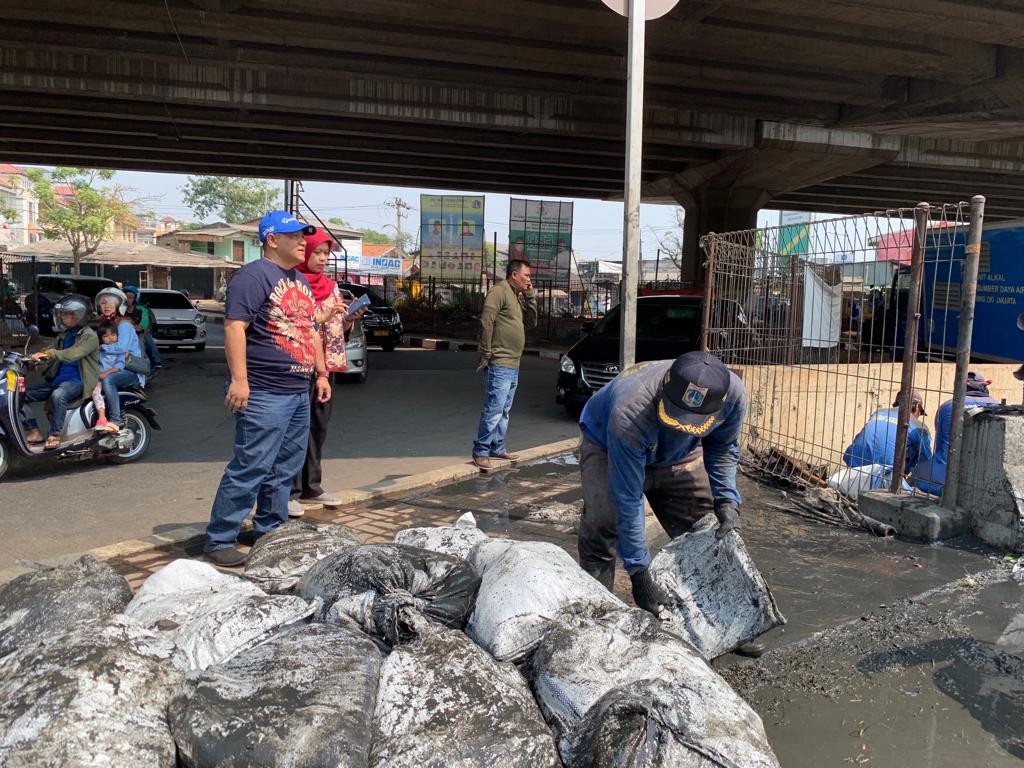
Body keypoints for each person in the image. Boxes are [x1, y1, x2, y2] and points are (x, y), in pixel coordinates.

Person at [577, 352, 760, 653]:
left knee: (707, 530)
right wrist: (640, 574)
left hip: (678, 454)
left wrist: (727, 500)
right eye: (675, 415)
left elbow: (724, 447)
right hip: (608, 445)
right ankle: (598, 622)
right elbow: (628, 496)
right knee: (603, 523)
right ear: (664, 388)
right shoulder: (631, 411)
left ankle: (729, 622)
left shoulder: (733, 396)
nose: (679, 424)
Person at [203, 211, 330, 568]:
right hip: (264, 391)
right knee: (252, 465)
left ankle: (270, 530)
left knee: (284, 467)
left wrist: (320, 374)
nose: (303, 241)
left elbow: (309, 330)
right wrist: (240, 380)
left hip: (296, 390)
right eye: (295, 236)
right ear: (272, 240)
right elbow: (234, 328)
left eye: (304, 236)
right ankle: (220, 538)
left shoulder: (299, 281)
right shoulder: (253, 276)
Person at [290, 228, 364, 514]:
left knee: (318, 427)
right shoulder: (293, 284)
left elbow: (335, 329)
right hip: (299, 364)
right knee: (296, 428)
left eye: (326, 253)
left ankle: (312, 486)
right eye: (317, 252)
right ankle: (291, 490)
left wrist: (349, 320)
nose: (322, 259)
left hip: (326, 366)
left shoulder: (331, 288)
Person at [472, 259, 537, 470]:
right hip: (499, 362)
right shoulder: (498, 291)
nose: (529, 279)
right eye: (526, 275)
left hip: (513, 363)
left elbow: (531, 323)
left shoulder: (516, 296)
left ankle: (497, 447)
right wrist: (485, 355)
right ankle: (481, 451)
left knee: (505, 410)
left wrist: (530, 296)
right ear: (515, 275)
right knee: (494, 409)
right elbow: (486, 322)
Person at [21, 296, 99, 450]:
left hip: (77, 381)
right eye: (61, 314)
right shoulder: (64, 335)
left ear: (78, 315)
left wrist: (50, 354)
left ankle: (55, 434)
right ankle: (34, 431)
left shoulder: (89, 336)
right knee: (19, 394)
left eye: (66, 314)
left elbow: (73, 353)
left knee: (59, 395)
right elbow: (50, 353)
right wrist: (34, 358)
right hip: (57, 381)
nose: (61, 318)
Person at [912, 372, 999, 496]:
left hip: (946, 476)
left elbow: (940, 443)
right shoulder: (999, 407)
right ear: (984, 388)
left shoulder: (948, 407)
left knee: (915, 473)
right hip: (987, 478)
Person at [842, 390, 932, 474]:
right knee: (918, 450)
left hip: (854, 465)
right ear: (917, 406)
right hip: (886, 475)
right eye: (920, 413)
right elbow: (927, 462)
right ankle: (900, 481)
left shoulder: (878, 412)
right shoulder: (919, 426)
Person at [94, 287, 145, 429]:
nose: (106, 306)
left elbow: (122, 347)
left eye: (110, 303)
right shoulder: (105, 325)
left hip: (129, 369)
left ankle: (116, 419)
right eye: (103, 303)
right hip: (111, 366)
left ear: (118, 305)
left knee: (108, 381)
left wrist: (102, 347)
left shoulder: (124, 325)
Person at [91, 321, 125, 433]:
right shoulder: (99, 351)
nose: (110, 338)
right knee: (94, 389)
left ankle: (105, 418)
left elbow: (120, 365)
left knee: (105, 384)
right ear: (101, 338)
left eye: (113, 335)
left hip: (112, 375)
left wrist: (107, 373)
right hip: (100, 376)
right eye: (106, 336)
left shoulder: (119, 348)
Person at [123, 286, 162, 371]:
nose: (128, 299)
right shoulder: (120, 309)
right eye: (126, 297)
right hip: (123, 334)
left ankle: (156, 361)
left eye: (130, 297)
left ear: (135, 298)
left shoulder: (142, 309)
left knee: (147, 337)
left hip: (139, 334)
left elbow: (144, 324)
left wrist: (140, 328)